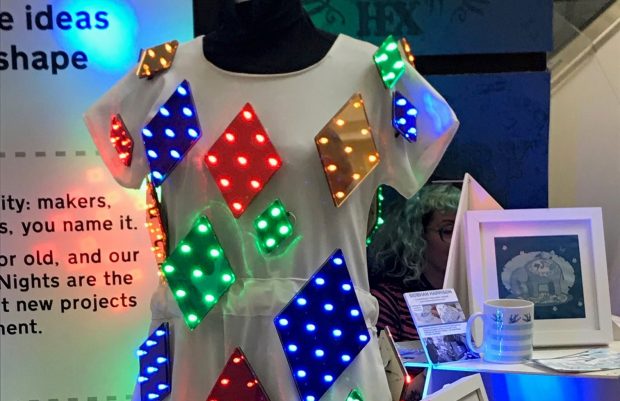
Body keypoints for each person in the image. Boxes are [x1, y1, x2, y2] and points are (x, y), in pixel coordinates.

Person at [84, 0, 459, 399]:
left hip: (323, 336)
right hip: (199, 336)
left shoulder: (371, 75)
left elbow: (430, 130)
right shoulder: (162, 78)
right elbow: (126, 162)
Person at [368, 183, 461, 342]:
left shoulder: (479, 293)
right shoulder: (389, 300)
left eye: (464, 229)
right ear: (417, 237)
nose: (459, 240)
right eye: (448, 231)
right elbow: (386, 364)